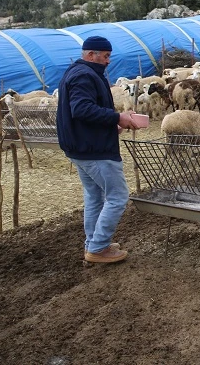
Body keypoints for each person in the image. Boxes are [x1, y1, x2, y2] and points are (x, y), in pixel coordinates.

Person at [56, 35, 140, 263]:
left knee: (94, 197)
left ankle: (93, 244)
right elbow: (82, 109)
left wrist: (112, 123)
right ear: (91, 55)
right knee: (118, 196)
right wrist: (117, 116)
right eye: (105, 56)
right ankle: (99, 248)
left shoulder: (77, 72)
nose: (108, 61)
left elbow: (84, 113)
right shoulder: (84, 75)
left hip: (81, 146)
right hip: (94, 150)